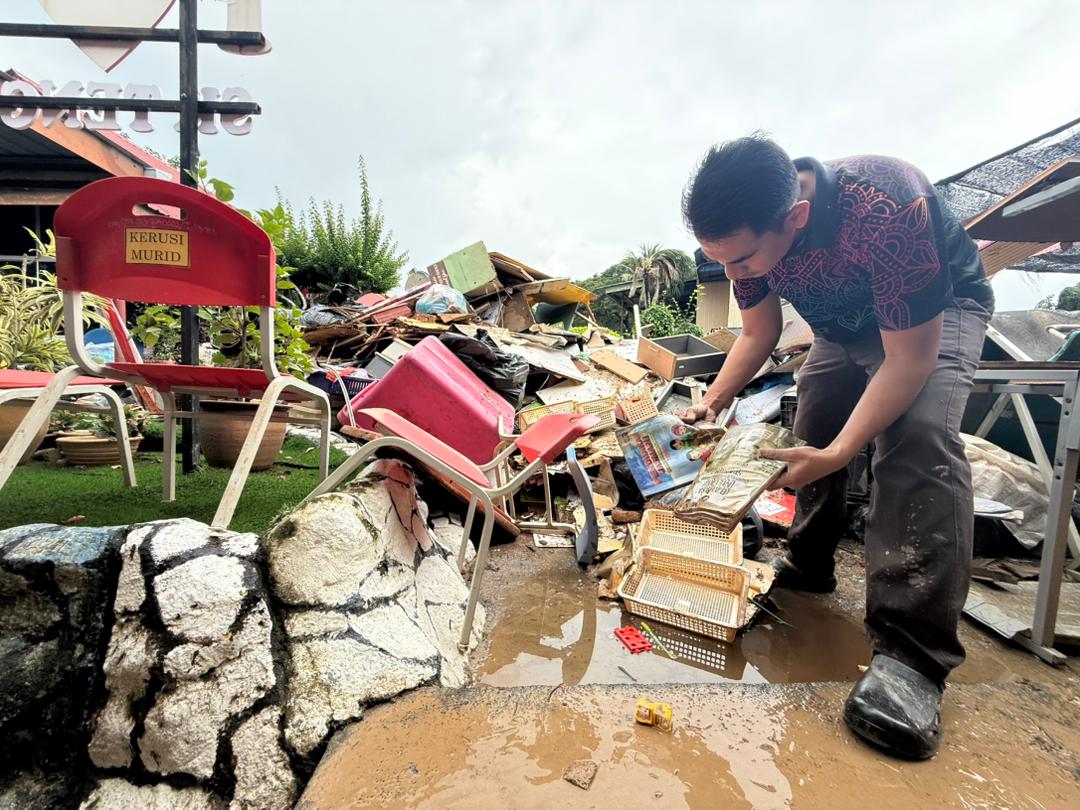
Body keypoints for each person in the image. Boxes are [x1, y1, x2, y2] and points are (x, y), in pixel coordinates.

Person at [679, 135, 994, 760]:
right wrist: (711, 401)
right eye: (721, 262)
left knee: (917, 439)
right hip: (840, 328)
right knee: (811, 423)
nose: (735, 274)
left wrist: (847, 449)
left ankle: (912, 657)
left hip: (933, 317)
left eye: (742, 261)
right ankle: (808, 563)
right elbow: (758, 332)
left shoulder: (888, 204)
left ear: (795, 216)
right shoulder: (748, 238)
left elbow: (908, 359)